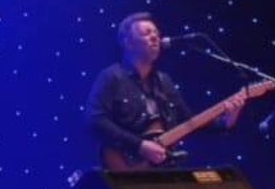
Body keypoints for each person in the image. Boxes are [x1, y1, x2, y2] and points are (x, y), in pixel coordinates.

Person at [85, 12, 245, 170]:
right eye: (146, 33)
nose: (155, 37)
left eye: (156, 33)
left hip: (164, 169)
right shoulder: (112, 76)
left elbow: (189, 123)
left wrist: (226, 121)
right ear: (128, 42)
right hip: (127, 165)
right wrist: (140, 145)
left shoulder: (164, 81)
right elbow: (95, 120)